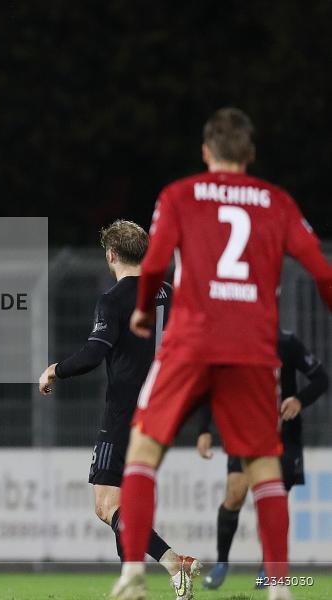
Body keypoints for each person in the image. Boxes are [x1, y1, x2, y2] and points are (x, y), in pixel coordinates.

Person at [110, 108, 332, 600]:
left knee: (144, 450)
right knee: (263, 468)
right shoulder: (277, 202)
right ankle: (279, 588)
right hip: (252, 350)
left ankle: (132, 576)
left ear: (206, 152)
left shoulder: (181, 194)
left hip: (190, 341)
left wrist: (144, 312)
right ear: (250, 154)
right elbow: (322, 271)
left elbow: (154, 264)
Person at [39, 220, 199, 599]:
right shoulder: (169, 293)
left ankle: (172, 562)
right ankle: (137, 583)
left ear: (111, 255)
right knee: (123, 507)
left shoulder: (114, 299)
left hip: (126, 412)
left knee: (106, 505)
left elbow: (95, 354)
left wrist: (53, 370)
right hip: (163, 410)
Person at [198, 329, 328, 589]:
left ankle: (269, 566)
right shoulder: (233, 342)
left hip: (284, 436)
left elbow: (321, 379)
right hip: (244, 432)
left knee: (273, 500)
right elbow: (211, 386)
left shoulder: (287, 342)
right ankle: (222, 562)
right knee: (235, 495)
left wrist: (299, 400)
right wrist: (204, 429)